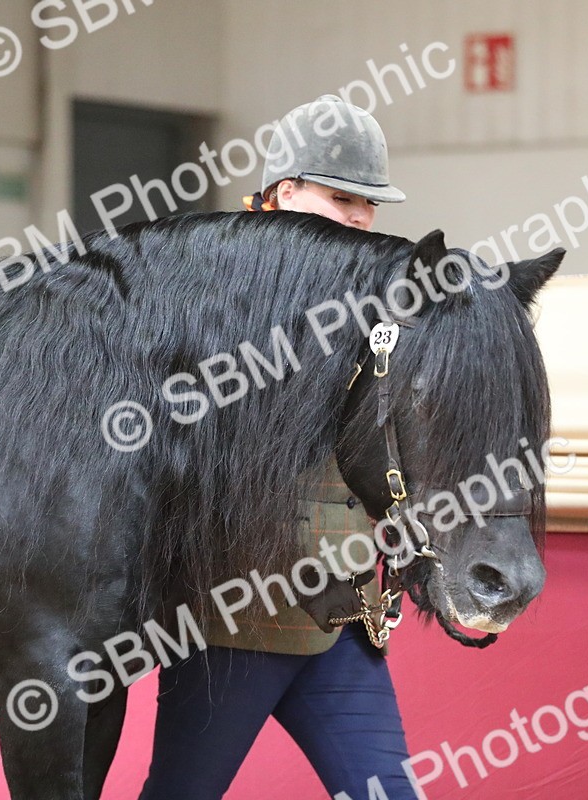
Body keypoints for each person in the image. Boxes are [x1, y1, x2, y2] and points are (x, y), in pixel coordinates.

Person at [139, 96, 418, 800]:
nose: (360, 217)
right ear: (285, 193)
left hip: (343, 623)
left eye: (369, 203)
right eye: (341, 198)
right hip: (230, 631)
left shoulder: (384, 301)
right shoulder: (211, 291)